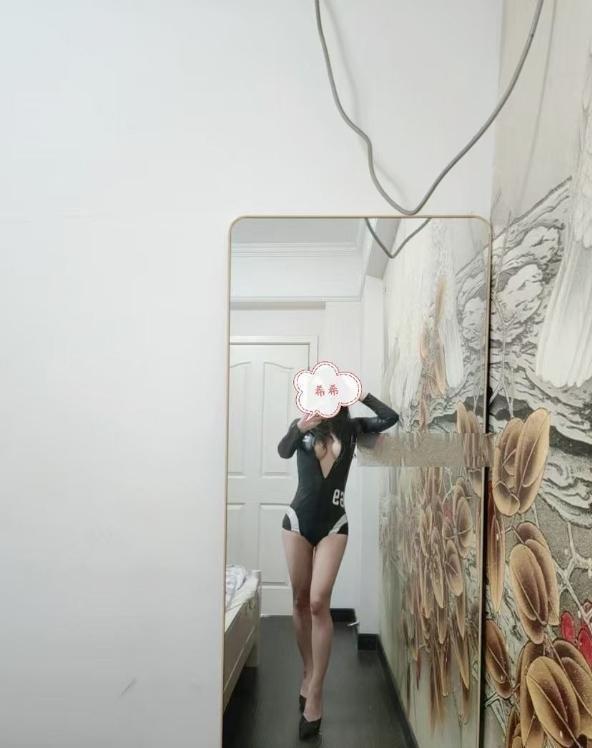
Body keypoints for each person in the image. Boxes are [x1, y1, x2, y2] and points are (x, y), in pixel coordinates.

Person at [277, 391, 399, 740]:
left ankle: (316, 691)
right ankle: (308, 671)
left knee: (318, 602)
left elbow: (389, 418)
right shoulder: (303, 426)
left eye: (334, 390)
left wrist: (362, 393)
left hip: (334, 524)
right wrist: (299, 428)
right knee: (300, 600)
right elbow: (283, 450)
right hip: (297, 522)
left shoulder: (352, 428)